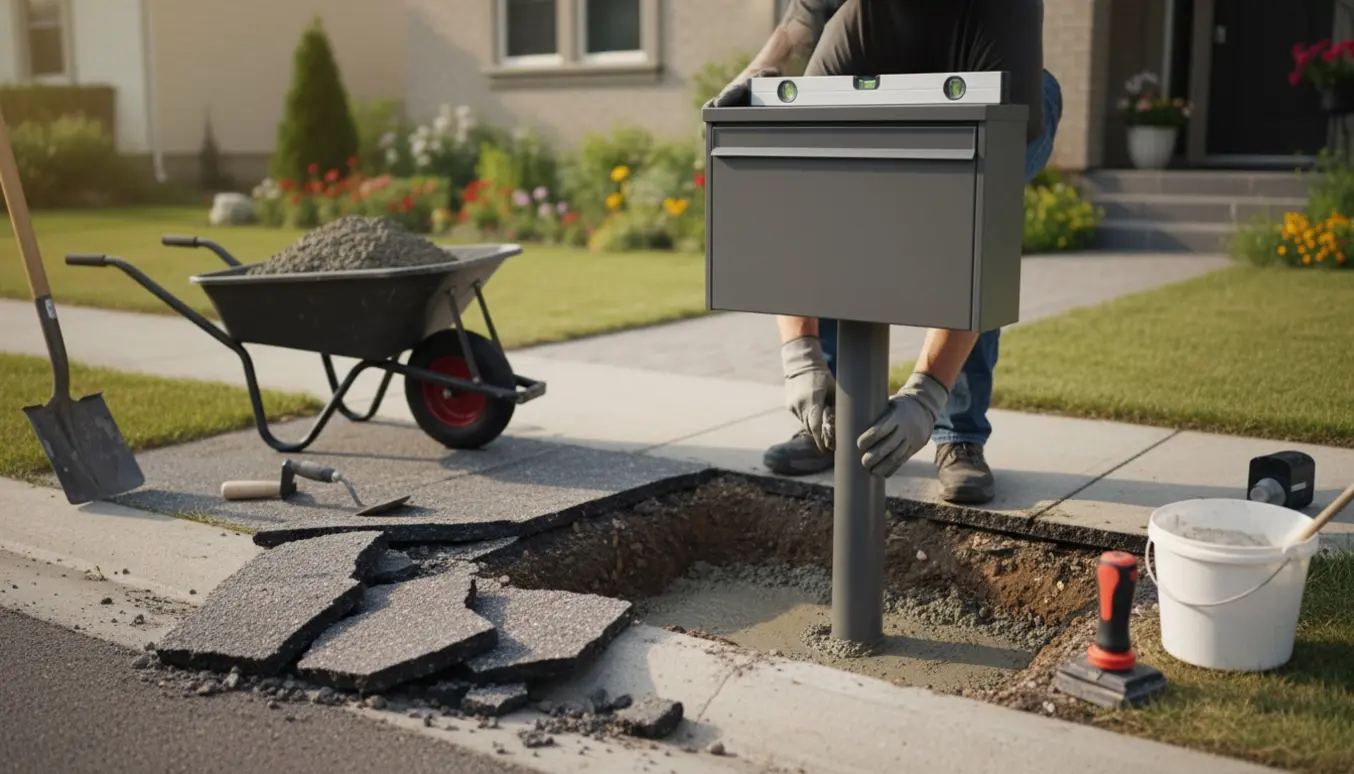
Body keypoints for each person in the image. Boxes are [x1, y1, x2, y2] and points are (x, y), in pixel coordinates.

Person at [710, 0, 1062, 505]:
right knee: (841, 217)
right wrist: (800, 356)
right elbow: (795, 207)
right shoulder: (849, 39)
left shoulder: (1006, 20)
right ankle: (829, 416)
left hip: (990, 83)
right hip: (873, 63)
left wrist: (927, 391)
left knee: (953, 249)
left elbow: (980, 238)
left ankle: (956, 430)